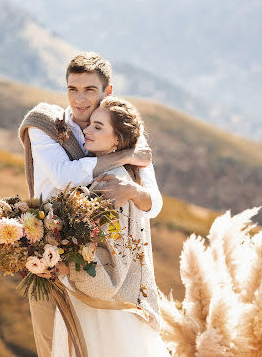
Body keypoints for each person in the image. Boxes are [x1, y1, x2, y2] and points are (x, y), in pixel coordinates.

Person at [19, 52, 163, 357]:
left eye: (89, 90)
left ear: (107, 91)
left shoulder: (123, 132)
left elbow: (154, 203)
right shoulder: (45, 126)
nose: (80, 99)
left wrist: (132, 190)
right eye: (73, 89)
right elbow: (64, 177)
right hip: (47, 259)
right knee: (52, 346)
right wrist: (122, 157)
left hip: (96, 267)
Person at [51, 97, 170, 357]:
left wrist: (64, 262)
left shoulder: (113, 184)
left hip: (105, 310)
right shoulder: (114, 176)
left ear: (117, 140)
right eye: (89, 125)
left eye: (98, 127)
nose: (87, 131)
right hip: (106, 304)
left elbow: (112, 253)